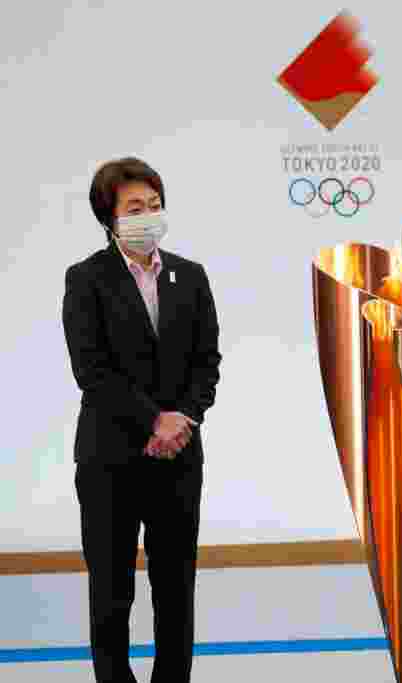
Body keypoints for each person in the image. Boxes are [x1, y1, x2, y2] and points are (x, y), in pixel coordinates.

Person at [62, 157, 221, 683]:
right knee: (111, 590)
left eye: (155, 206)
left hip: (179, 459)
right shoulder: (86, 280)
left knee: (176, 588)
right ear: (109, 217)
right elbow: (93, 371)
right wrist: (153, 420)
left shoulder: (190, 276)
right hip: (110, 459)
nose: (148, 216)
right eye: (135, 208)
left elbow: (207, 364)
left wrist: (182, 421)